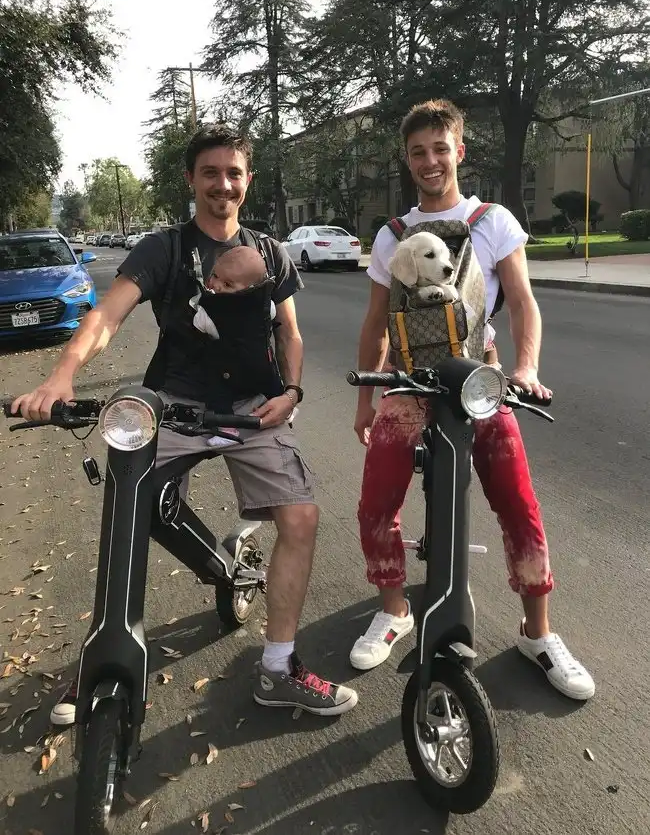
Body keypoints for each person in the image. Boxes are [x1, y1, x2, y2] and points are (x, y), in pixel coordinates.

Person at [11, 123, 358, 724]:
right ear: (191, 179)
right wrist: (61, 375)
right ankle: (105, 654)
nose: (223, 184)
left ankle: (278, 669)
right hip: (173, 404)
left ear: (248, 181)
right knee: (131, 506)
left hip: (254, 406)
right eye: (210, 173)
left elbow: (290, 333)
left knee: (300, 516)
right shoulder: (164, 249)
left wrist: (293, 392)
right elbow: (106, 316)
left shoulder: (270, 253)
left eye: (234, 173)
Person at [350, 99, 595, 701]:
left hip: (478, 383)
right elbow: (377, 320)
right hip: (409, 385)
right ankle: (394, 609)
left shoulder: (493, 221)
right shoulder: (392, 236)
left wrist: (526, 367)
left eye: (440, 148)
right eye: (418, 152)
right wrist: (365, 396)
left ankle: (537, 633)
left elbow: (523, 301)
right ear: (407, 160)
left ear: (459, 151)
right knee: (376, 501)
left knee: (517, 502)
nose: (430, 161)